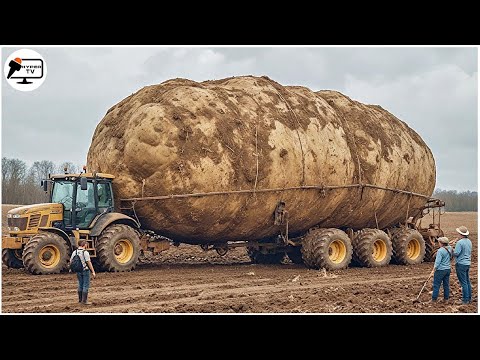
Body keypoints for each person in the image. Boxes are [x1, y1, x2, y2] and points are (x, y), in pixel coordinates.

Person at [71, 239, 96, 305]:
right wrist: (93, 271)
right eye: (86, 244)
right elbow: (88, 262)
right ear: (84, 245)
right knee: (85, 285)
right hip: (85, 270)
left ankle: (80, 300)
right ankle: (84, 301)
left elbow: (71, 261)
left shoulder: (74, 252)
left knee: (80, 285)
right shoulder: (85, 252)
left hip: (78, 271)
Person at [452, 226, 472, 304]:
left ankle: (465, 299)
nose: (457, 234)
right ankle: (469, 297)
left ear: (461, 234)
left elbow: (456, 253)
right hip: (467, 263)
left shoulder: (460, 242)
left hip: (461, 264)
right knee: (467, 281)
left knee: (463, 282)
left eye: (458, 233)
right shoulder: (469, 241)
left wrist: (451, 250)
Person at [430, 237, 452, 302]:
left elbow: (437, 262)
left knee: (436, 285)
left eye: (439, 242)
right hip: (447, 269)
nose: (438, 243)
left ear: (442, 243)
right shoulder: (450, 248)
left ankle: (434, 299)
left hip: (440, 270)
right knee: (446, 284)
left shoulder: (440, 251)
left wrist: (433, 270)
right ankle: (446, 298)